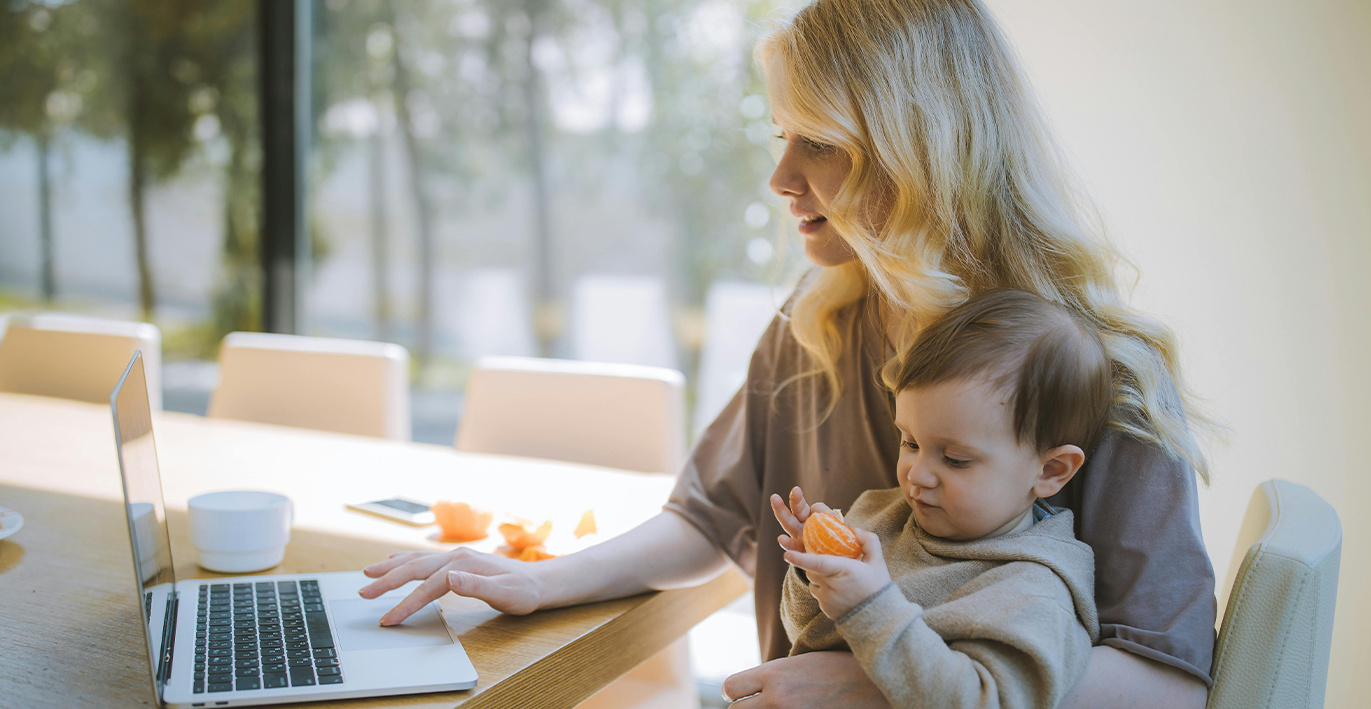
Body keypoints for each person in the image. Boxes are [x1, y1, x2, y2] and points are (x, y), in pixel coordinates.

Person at [357, 1, 1217, 706]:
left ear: (922, 153)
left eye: (823, 143)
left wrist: (884, 684)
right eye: (782, 136)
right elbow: (706, 517)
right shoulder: (815, 324)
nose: (780, 179)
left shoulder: (1102, 371)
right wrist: (542, 580)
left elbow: (1167, 681)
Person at [773, 289, 1110, 708]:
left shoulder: (1033, 591)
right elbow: (806, 635)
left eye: (955, 459)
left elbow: (983, 701)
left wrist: (870, 607)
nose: (916, 474)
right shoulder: (879, 516)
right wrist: (815, 573)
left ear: (1050, 471)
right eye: (910, 442)